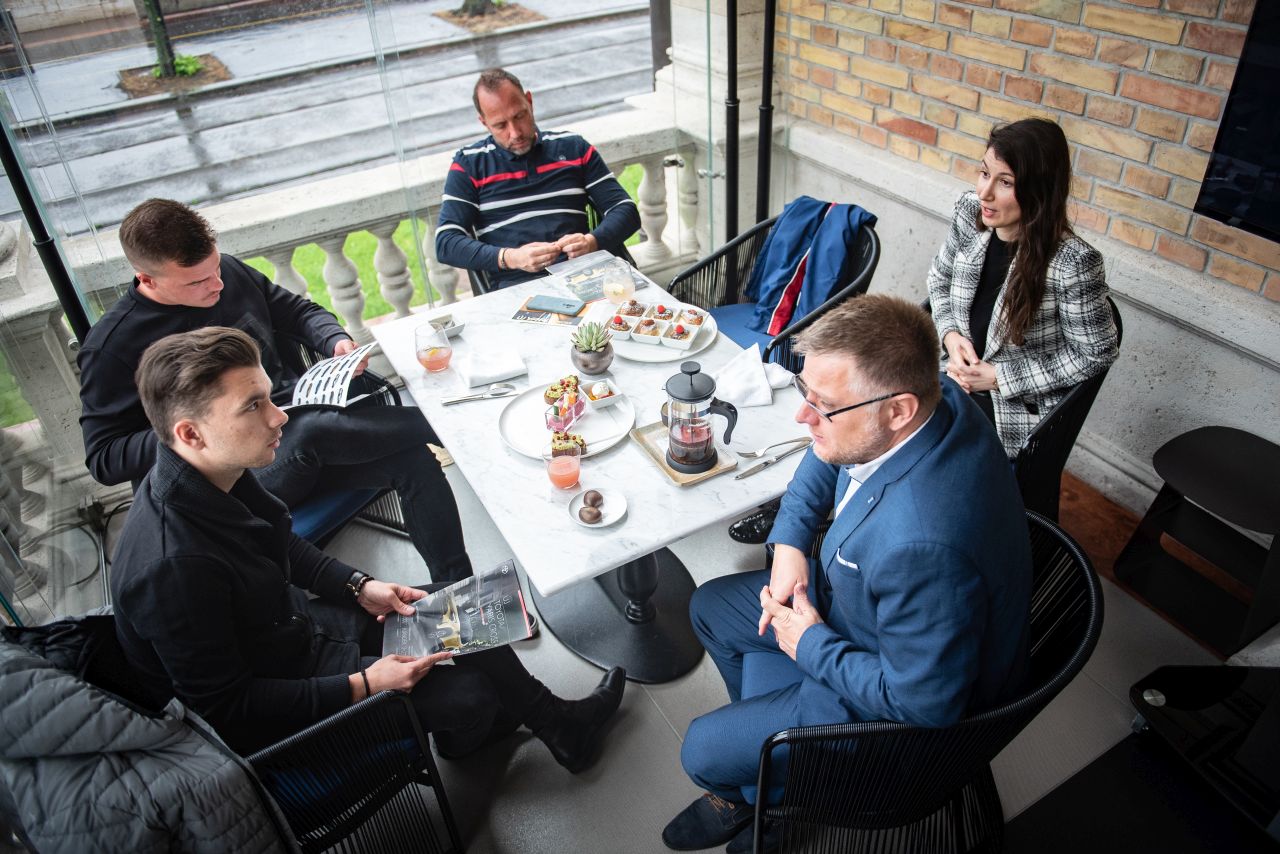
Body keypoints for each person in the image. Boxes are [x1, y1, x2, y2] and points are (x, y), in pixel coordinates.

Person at [110, 326, 626, 769]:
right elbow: (231, 711)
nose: (279, 417)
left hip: (293, 630)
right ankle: (470, 736)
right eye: (253, 406)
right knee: (471, 695)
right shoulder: (172, 570)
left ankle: (557, 725)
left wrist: (358, 586)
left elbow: (282, 544)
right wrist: (364, 683)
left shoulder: (215, 468)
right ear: (191, 433)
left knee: (464, 605)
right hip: (279, 708)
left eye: (268, 397)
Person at [661, 295, 1032, 852]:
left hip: (888, 696)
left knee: (700, 752)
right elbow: (825, 454)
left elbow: (925, 704)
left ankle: (772, 787)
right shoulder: (932, 393)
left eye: (826, 406)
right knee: (709, 608)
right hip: (867, 610)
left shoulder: (923, 545)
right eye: (805, 393)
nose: (802, 416)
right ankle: (771, 775)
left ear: (898, 409)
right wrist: (790, 543)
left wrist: (810, 645)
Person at [78, 198, 475, 584]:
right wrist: (202, 430)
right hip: (234, 479)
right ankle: (457, 421)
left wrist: (335, 340)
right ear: (147, 279)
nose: (218, 284)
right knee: (309, 429)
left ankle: (458, 588)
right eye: (198, 281)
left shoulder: (228, 273)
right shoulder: (112, 348)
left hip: (299, 428)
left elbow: (298, 311)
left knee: (413, 461)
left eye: (216, 268)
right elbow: (104, 457)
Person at [928, 117, 1119, 457]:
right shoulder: (970, 212)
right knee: (874, 408)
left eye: (1005, 182)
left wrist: (999, 377)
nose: (985, 192)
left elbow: (1095, 354)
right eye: (984, 173)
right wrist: (951, 337)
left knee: (916, 443)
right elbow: (939, 280)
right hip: (953, 375)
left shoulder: (1073, 263)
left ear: (1038, 191)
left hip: (1011, 406)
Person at [435, 67, 641, 290]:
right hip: (517, 288)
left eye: (519, 116)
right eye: (501, 125)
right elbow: (446, 242)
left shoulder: (574, 148)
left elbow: (626, 211)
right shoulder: (469, 164)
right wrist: (511, 258)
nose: (515, 133)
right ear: (484, 122)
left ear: (529, 102)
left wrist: (591, 242)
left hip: (585, 276)